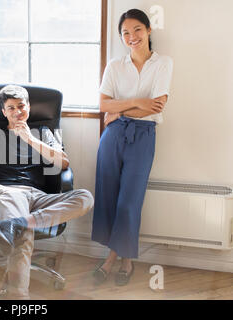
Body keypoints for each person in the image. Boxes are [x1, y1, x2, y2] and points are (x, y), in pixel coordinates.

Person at [0, 84, 94, 299]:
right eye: (11, 107)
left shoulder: (43, 132)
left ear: (29, 107)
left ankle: (22, 222)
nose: (17, 112)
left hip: (38, 197)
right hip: (7, 194)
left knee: (85, 198)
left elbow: (63, 163)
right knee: (23, 234)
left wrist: (30, 139)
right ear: (3, 112)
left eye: (21, 106)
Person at [91, 9, 173, 286]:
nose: (132, 37)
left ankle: (114, 260)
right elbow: (103, 105)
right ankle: (122, 260)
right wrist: (139, 103)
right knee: (108, 198)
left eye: (137, 29)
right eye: (125, 32)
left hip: (143, 137)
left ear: (149, 30)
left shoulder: (163, 63)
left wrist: (121, 110)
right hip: (112, 138)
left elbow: (157, 106)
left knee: (129, 203)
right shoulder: (115, 66)